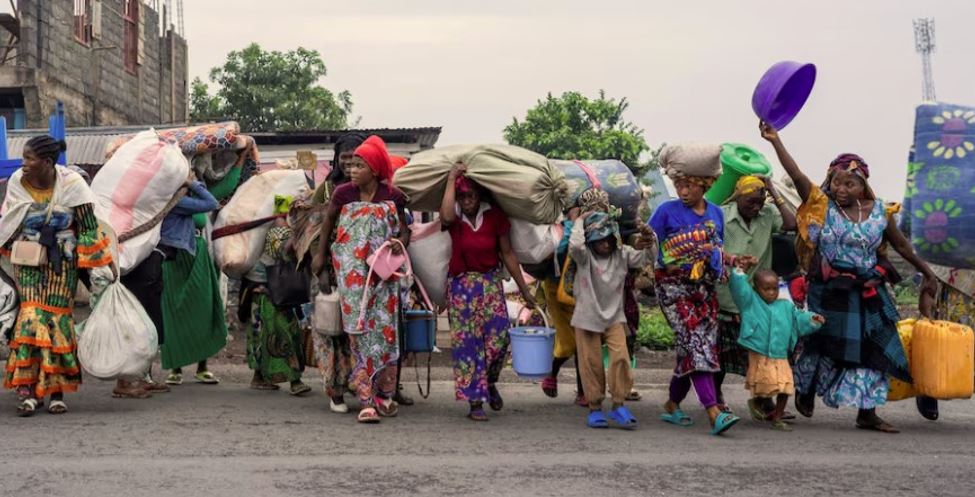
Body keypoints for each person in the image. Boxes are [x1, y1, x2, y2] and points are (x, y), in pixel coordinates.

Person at [760, 121, 938, 433]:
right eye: (836, 182)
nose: (841, 189)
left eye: (849, 184)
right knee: (816, 343)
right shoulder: (821, 205)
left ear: (863, 185)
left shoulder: (880, 211)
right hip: (828, 290)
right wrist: (776, 141)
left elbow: (902, 246)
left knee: (875, 346)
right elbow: (798, 175)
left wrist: (928, 273)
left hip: (867, 290)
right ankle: (804, 390)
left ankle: (866, 413)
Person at [0, 136, 113, 416]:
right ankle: (27, 392)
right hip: (27, 260)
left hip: (63, 262)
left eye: (29, 158)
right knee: (29, 319)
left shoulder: (74, 185)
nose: (23, 164)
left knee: (56, 322)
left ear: (47, 163)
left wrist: (96, 267)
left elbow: (87, 226)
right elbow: (11, 220)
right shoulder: (17, 181)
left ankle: (55, 392)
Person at [312, 135, 411, 424]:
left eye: (359, 165)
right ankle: (366, 399)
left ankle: (384, 394)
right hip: (352, 275)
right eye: (351, 165)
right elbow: (329, 222)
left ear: (376, 169)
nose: (352, 170)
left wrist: (399, 242)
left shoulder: (393, 196)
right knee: (358, 332)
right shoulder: (342, 194)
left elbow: (405, 231)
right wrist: (321, 258)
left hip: (383, 275)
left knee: (385, 332)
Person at [439, 163, 536, 421]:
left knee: (499, 338)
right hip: (461, 288)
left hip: (490, 284)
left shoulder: (494, 217)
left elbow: (507, 253)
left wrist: (525, 291)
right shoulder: (455, 217)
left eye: (470, 196)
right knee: (468, 346)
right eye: (462, 196)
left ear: (479, 195)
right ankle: (475, 402)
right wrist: (451, 180)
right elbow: (446, 218)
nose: (466, 201)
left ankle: (490, 382)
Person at [650, 166, 741, 435]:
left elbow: (718, 250)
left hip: (704, 289)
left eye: (689, 185)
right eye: (679, 185)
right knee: (696, 342)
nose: (683, 191)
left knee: (692, 348)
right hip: (673, 289)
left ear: (705, 185)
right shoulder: (665, 211)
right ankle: (713, 412)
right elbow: (649, 245)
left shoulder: (716, 213)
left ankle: (671, 404)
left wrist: (731, 261)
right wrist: (645, 243)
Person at [714, 175, 797, 416]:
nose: (756, 206)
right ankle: (716, 398)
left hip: (757, 298)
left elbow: (791, 224)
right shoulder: (721, 215)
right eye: (751, 201)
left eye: (760, 201)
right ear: (738, 197)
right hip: (726, 294)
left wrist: (772, 188)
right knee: (721, 353)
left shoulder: (768, 214)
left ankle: (762, 399)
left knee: (763, 352)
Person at [569, 209, 655, 429]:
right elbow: (576, 246)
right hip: (587, 317)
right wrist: (578, 221)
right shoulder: (584, 256)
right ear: (591, 240)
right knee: (591, 364)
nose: (605, 244)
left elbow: (646, 257)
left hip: (614, 316)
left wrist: (649, 238)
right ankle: (595, 408)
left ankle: (618, 404)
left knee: (620, 358)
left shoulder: (623, 254)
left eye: (608, 239)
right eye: (600, 240)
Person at [728, 263, 824, 431]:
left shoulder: (785, 306)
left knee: (785, 385)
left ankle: (777, 417)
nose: (772, 293)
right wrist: (738, 274)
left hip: (780, 353)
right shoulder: (750, 301)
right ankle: (757, 402)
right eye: (766, 289)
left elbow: (798, 319)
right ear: (756, 289)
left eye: (774, 288)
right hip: (759, 350)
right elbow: (739, 290)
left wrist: (812, 320)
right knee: (764, 383)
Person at [239, 196, 312, 396]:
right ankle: (295, 381)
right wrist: (299, 232)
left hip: (259, 290)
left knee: (260, 335)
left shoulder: (261, 227)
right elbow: (283, 252)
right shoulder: (278, 227)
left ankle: (259, 377)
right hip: (274, 293)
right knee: (285, 334)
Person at [160, 174, 226, 385]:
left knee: (202, 310)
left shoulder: (185, 198)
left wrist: (193, 184)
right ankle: (176, 368)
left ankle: (202, 367)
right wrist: (193, 184)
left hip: (197, 256)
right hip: (176, 258)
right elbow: (211, 202)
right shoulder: (175, 201)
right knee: (174, 312)